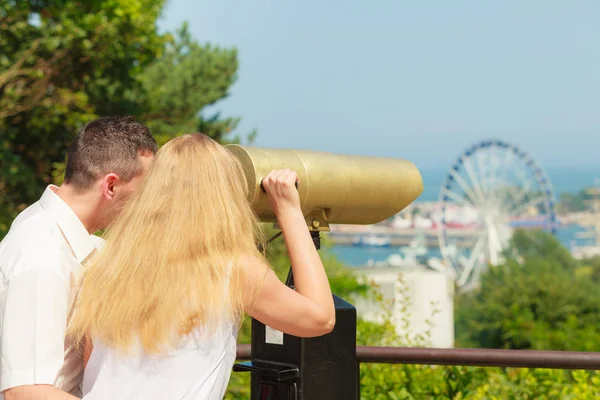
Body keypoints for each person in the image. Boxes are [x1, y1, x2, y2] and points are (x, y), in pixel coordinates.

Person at [67, 133, 335, 399]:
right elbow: (320, 318)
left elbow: (93, 364)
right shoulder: (228, 269)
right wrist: (289, 210)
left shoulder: (109, 263)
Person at [0, 116, 157, 400]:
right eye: (144, 192)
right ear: (111, 186)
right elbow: (24, 393)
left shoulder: (76, 243)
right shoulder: (43, 254)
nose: (147, 205)